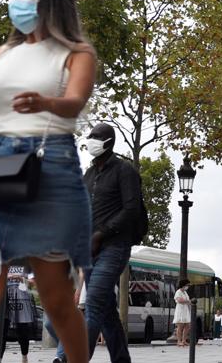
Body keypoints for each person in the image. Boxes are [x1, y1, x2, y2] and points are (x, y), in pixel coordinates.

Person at [0, 0, 98, 363]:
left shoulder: (76, 53)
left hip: (50, 163)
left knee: (55, 298)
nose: (14, 1)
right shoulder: (1, 54)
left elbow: (75, 102)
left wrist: (45, 102)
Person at [79, 122, 145, 361]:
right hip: (88, 250)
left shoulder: (124, 171)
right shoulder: (88, 174)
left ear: (109, 142)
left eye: (96, 136)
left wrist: (101, 234)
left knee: (94, 302)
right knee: (107, 312)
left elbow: (131, 209)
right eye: (90, 135)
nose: (91, 139)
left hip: (114, 246)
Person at [6, 268, 40, 363]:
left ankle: (24, 356)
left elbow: (33, 281)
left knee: (22, 330)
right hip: (5, 297)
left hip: (22, 298)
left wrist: (20, 278)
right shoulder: (4, 259)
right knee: (2, 329)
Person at [174, 280, 192, 346]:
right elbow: (179, 300)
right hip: (180, 310)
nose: (188, 286)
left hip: (186, 310)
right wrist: (187, 301)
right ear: (183, 285)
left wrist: (188, 302)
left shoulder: (185, 292)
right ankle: (179, 341)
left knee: (187, 325)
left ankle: (184, 340)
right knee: (180, 326)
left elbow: (187, 300)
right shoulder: (178, 292)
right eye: (187, 285)